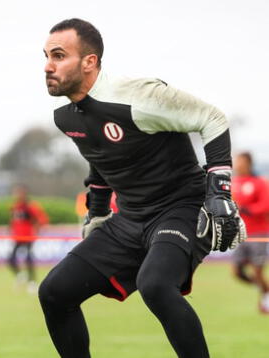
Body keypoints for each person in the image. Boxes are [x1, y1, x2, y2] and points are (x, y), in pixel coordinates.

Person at [37, 18, 246, 357]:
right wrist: (98, 213)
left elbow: (212, 119)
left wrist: (219, 193)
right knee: (54, 292)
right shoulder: (68, 118)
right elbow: (101, 161)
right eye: (46, 56)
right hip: (129, 220)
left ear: (89, 62)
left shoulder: (140, 96)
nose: (48, 66)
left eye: (59, 55)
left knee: (156, 285)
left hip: (180, 210)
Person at [231, 152, 269, 313]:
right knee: (237, 272)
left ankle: (265, 300)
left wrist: (246, 209)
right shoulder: (233, 183)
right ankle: (266, 290)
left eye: (240, 161)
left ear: (248, 163)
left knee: (257, 271)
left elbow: (265, 205)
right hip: (241, 234)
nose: (237, 164)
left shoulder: (259, 183)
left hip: (259, 234)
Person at [7, 184, 48, 292]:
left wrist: (37, 230)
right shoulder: (14, 207)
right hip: (17, 237)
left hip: (28, 237)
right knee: (10, 260)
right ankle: (21, 276)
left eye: (19, 192)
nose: (17, 195)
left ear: (24, 194)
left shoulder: (31, 206)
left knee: (29, 259)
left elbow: (42, 219)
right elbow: (13, 222)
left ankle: (32, 282)